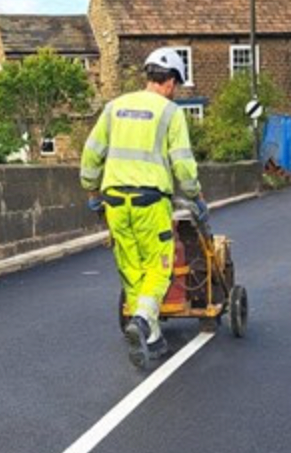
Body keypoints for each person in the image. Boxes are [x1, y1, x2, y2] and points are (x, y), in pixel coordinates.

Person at [80, 47, 207, 367]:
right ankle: (142, 319)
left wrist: (91, 189)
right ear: (171, 81)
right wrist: (196, 195)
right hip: (150, 202)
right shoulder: (169, 112)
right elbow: (182, 164)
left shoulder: (114, 107)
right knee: (159, 267)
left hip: (115, 202)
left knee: (131, 267)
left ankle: (152, 338)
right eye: (176, 85)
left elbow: (92, 153)